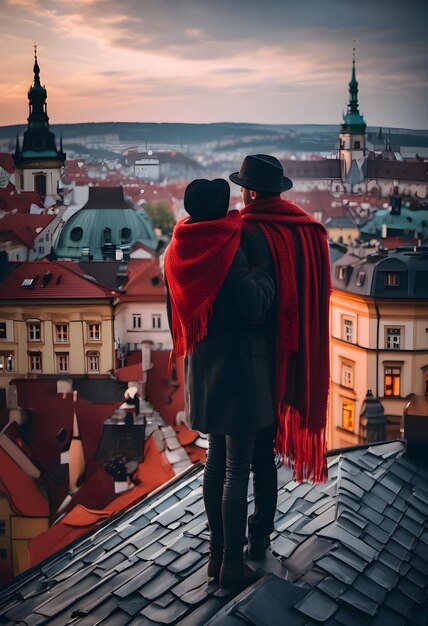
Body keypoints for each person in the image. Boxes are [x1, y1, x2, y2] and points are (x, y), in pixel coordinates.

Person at [164, 178, 276, 590]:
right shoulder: (227, 248)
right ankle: (231, 565)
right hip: (241, 374)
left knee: (215, 463)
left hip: (203, 371)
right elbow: (254, 303)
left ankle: (215, 555)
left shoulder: (177, 248)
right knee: (237, 469)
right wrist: (265, 271)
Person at [229, 155, 331, 548]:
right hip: (294, 353)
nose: (241, 196)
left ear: (252, 192)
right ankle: (261, 535)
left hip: (255, 356)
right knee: (265, 457)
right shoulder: (307, 229)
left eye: (243, 189)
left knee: (240, 459)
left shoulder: (245, 230)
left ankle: (233, 544)